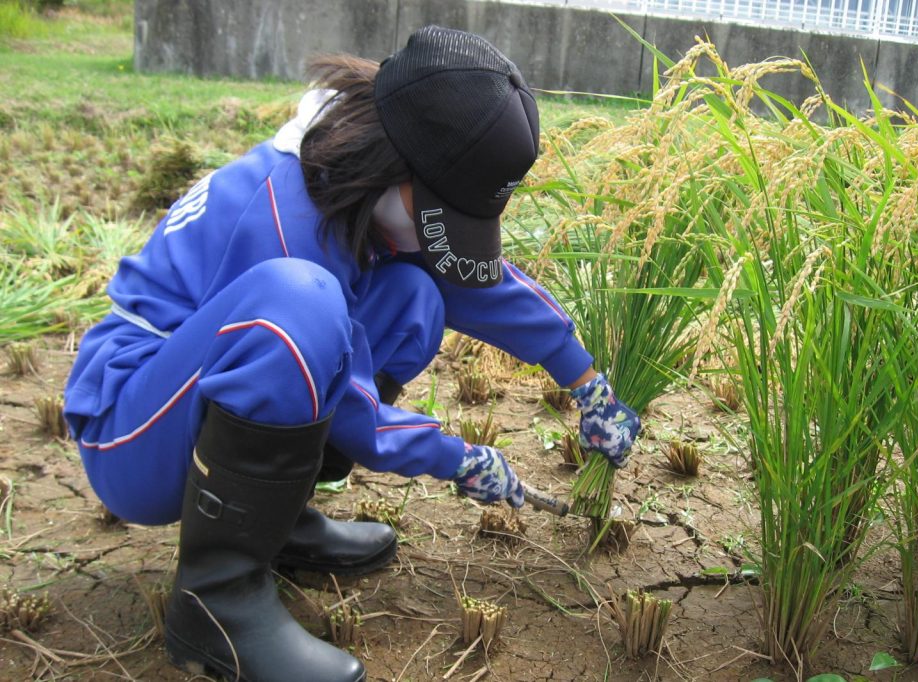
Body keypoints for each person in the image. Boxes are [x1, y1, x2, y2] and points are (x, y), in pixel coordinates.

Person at [63, 25, 640, 682]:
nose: (442, 237)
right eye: (440, 219)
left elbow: (483, 287)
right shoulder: (286, 218)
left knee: (413, 295)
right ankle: (216, 604)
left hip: (198, 396)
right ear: (398, 170)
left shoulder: (364, 176)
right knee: (301, 303)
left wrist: (586, 380)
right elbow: (350, 403)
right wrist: (457, 457)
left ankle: (273, 529)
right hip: (133, 429)